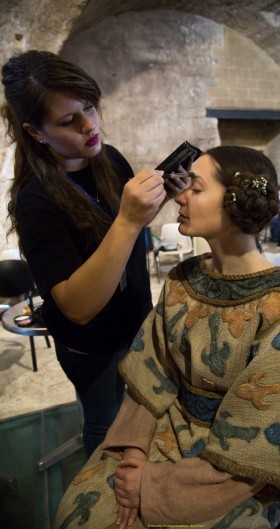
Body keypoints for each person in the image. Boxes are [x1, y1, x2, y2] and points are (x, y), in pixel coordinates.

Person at [53, 145, 280, 529]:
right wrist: (133, 453)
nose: (179, 196)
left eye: (195, 188)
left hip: (233, 471)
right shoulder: (183, 279)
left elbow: (263, 440)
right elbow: (151, 374)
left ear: (234, 201)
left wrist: (151, 485)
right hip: (164, 431)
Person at [0, 50, 186, 456]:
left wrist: (156, 201)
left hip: (136, 321)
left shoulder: (108, 158)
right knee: (104, 427)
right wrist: (129, 220)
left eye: (89, 107)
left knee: (139, 414)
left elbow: (120, 245)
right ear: (35, 132)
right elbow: (78, 307)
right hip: (91, 346)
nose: (90, 126)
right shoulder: (37, 201)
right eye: (69, 121)